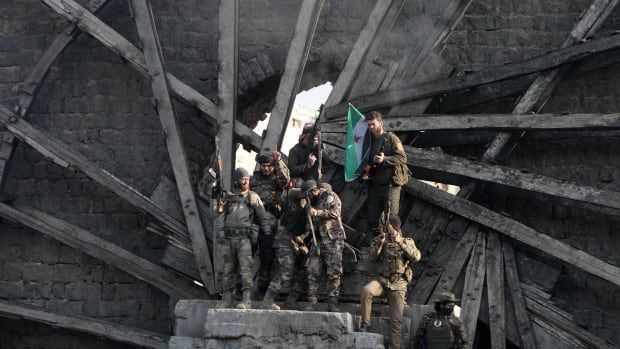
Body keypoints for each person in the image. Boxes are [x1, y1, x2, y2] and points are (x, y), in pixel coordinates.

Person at [359, 215, 421, 349]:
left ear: (396, 228)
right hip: (382, 281)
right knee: (366, 291)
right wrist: (379, 244)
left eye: (389, 228)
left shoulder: (407, 241)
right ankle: (365, 324)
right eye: (386, 228)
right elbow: (370, 258)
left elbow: (416, 257)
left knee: (396, 320)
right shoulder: (379, 240)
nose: (387, 231)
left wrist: (400, 243)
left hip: (398, 284)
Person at [216, 167, 272, 310]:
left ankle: (246, 300)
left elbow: (262, 216)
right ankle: (227, 299)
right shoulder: (228, 197)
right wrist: (215, 197)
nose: (246, 181)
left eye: (247, 179)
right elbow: (216, 212)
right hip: (229, 239)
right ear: (236, 181)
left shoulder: (252, 197)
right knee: (227, 270)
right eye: (243, 179)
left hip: (244, 239)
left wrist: (267, 234)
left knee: (245, 270)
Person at [250, 151, 290, 297]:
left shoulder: (276, 179)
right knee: (248, 253)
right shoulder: (254, 179)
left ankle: (262, 290)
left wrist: (279, 162)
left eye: (269, 166)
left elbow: (285, 179)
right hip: (254, 220)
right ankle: (242, 289)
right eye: (263, 166)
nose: (266, 169)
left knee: (267, 256)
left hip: (271, 220)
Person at [261, 186, 308, 310]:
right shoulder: (294, 208)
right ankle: (268, 300)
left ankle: (290, 301)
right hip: (286, 242)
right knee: (284, 272)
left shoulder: (297, 207)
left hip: (291, 242)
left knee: (301, 271)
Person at [303, 179, 345, 312]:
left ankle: (332, 302)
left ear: (314, 191)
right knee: (312, 269)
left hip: (332, 240)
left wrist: (318, 213)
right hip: (318, 241)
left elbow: (335, 212)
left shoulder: (329, 196)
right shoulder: (311, 202)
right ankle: (312, 302)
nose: (308, 196)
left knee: (334, 272)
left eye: (309, 194)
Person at [363, 111, 408, 236]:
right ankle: (374, 249)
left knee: (391, 220)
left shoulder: (391, 138)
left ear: (381, 123)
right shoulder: (371, 141)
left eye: (373, 124)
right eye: (369, 125)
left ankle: (394, 250)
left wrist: (385, 160)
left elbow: (402, 158)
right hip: (375, 186)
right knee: (373, 220)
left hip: (390, 185)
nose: (371, 127)